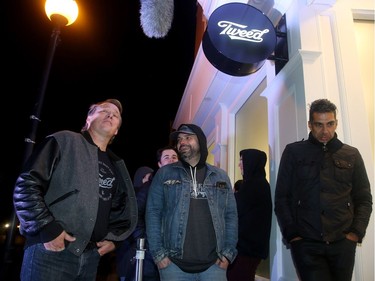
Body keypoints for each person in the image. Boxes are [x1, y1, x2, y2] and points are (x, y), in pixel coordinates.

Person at [13, 98, 138, 281]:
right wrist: (47, 229)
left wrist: (114, 240)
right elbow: (26, 185)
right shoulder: (64, 140)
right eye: (103, 110)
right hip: (51, 251)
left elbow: (118, 209)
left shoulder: (116, 165)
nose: (110, 114)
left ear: (117, 130)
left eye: (116, 115)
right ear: (88, 118)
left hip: (91, 259)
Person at [274, 98, 373, 281]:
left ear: (336, 123)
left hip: (343, 242)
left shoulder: (351, 154)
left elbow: (364, 198)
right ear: (310, 125)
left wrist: (355, 233)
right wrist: (293, 235)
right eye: (319, 125)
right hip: (306, 243)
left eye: (330, 124)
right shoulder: (294, 152)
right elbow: (282, 198)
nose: (325, 131)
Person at [145, 123, 238, 281]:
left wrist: (228, 254)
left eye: (188, 137)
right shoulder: (164, 174)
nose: (182, 142)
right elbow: (153, 213)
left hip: (214, 266)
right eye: (180, 139)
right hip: (173, 266)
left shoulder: (220, 176)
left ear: (200, 141)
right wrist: (159, 255)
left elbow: (231, 215)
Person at [227, 149, 273, 281]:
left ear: (251, 162)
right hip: (249, 249)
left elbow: (235, 210)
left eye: (242, 161)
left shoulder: (254, 185)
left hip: (246, 250)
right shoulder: (258, 184)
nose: (239, 165)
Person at [116, 166, 156, 281]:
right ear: (141, 179)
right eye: (148, 178)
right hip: (131, 255)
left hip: (142, 254)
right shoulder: (132, 198)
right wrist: (141, 239)